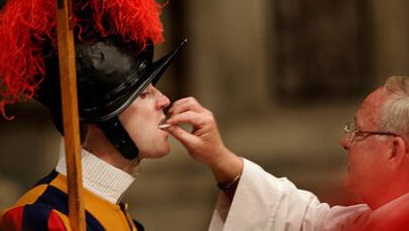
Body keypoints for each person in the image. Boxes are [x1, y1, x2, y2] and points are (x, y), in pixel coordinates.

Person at [0, 0, 184, 230]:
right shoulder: (41, 219)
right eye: (143, 94)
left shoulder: (127, 222)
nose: (165, 100)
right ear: (104, 118)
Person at [167, 76, 409, 230]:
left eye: (358, 132)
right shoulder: (370, 220)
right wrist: (218, 156)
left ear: (394, 151)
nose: (345, 141)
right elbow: (299, 218)